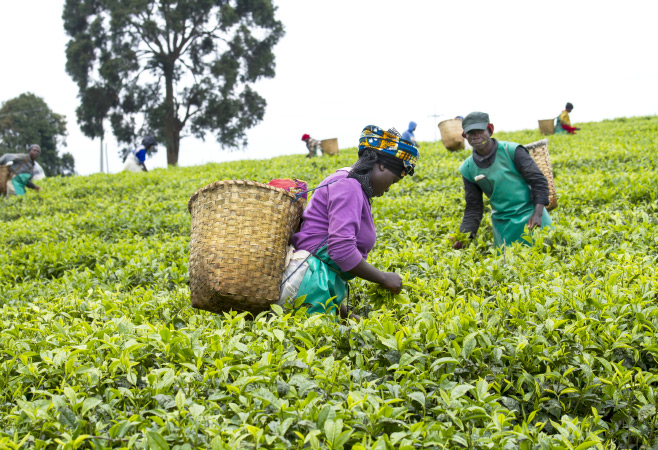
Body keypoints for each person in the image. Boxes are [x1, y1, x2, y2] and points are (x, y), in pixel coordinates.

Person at [280, 125, 419, 320]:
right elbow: (340, 250)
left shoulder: (352, 185)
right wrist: (383, 278)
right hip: (306, 284)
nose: (390, 187)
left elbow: (326, 267)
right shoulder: (349, 185)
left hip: (312, 285)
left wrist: (345, 314)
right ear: (381, 166)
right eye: (394, 180)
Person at [452, 112, 552, 249]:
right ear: (465, 136)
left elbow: (538, 181)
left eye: (480, 131)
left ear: (490, 130)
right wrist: (464, 236)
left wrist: (538, 214)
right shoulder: (468, 168)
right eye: (471, 133)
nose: (476, 136)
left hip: (532, 218)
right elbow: (473, 207)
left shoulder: (511, 151)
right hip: (504, 226)